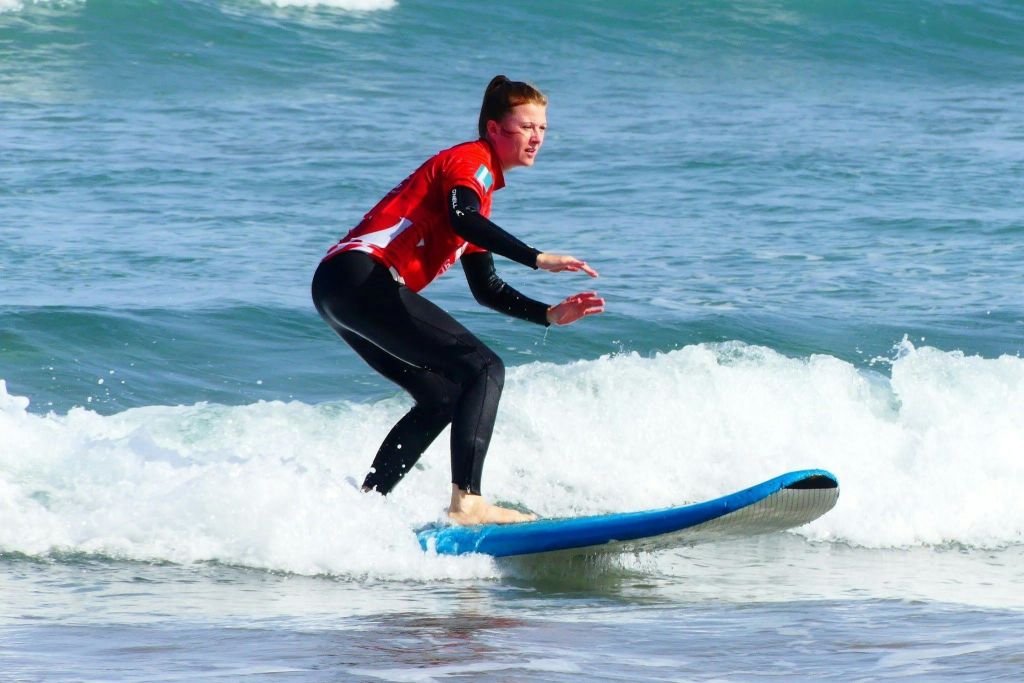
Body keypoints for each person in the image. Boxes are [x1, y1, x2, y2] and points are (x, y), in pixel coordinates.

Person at [311, 75, 604, 525]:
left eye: (542, 129)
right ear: (493, 129)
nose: (537, 138)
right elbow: (461, 217)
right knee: (485, 368)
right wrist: (536, 258)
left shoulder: (477, 198)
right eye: (526, 127)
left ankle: (364, 508)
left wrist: (547, 314)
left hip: (339, 287)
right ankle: (467, 501)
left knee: (441, 397)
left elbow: (486, 287)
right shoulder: (473, 162)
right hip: (362, 276)